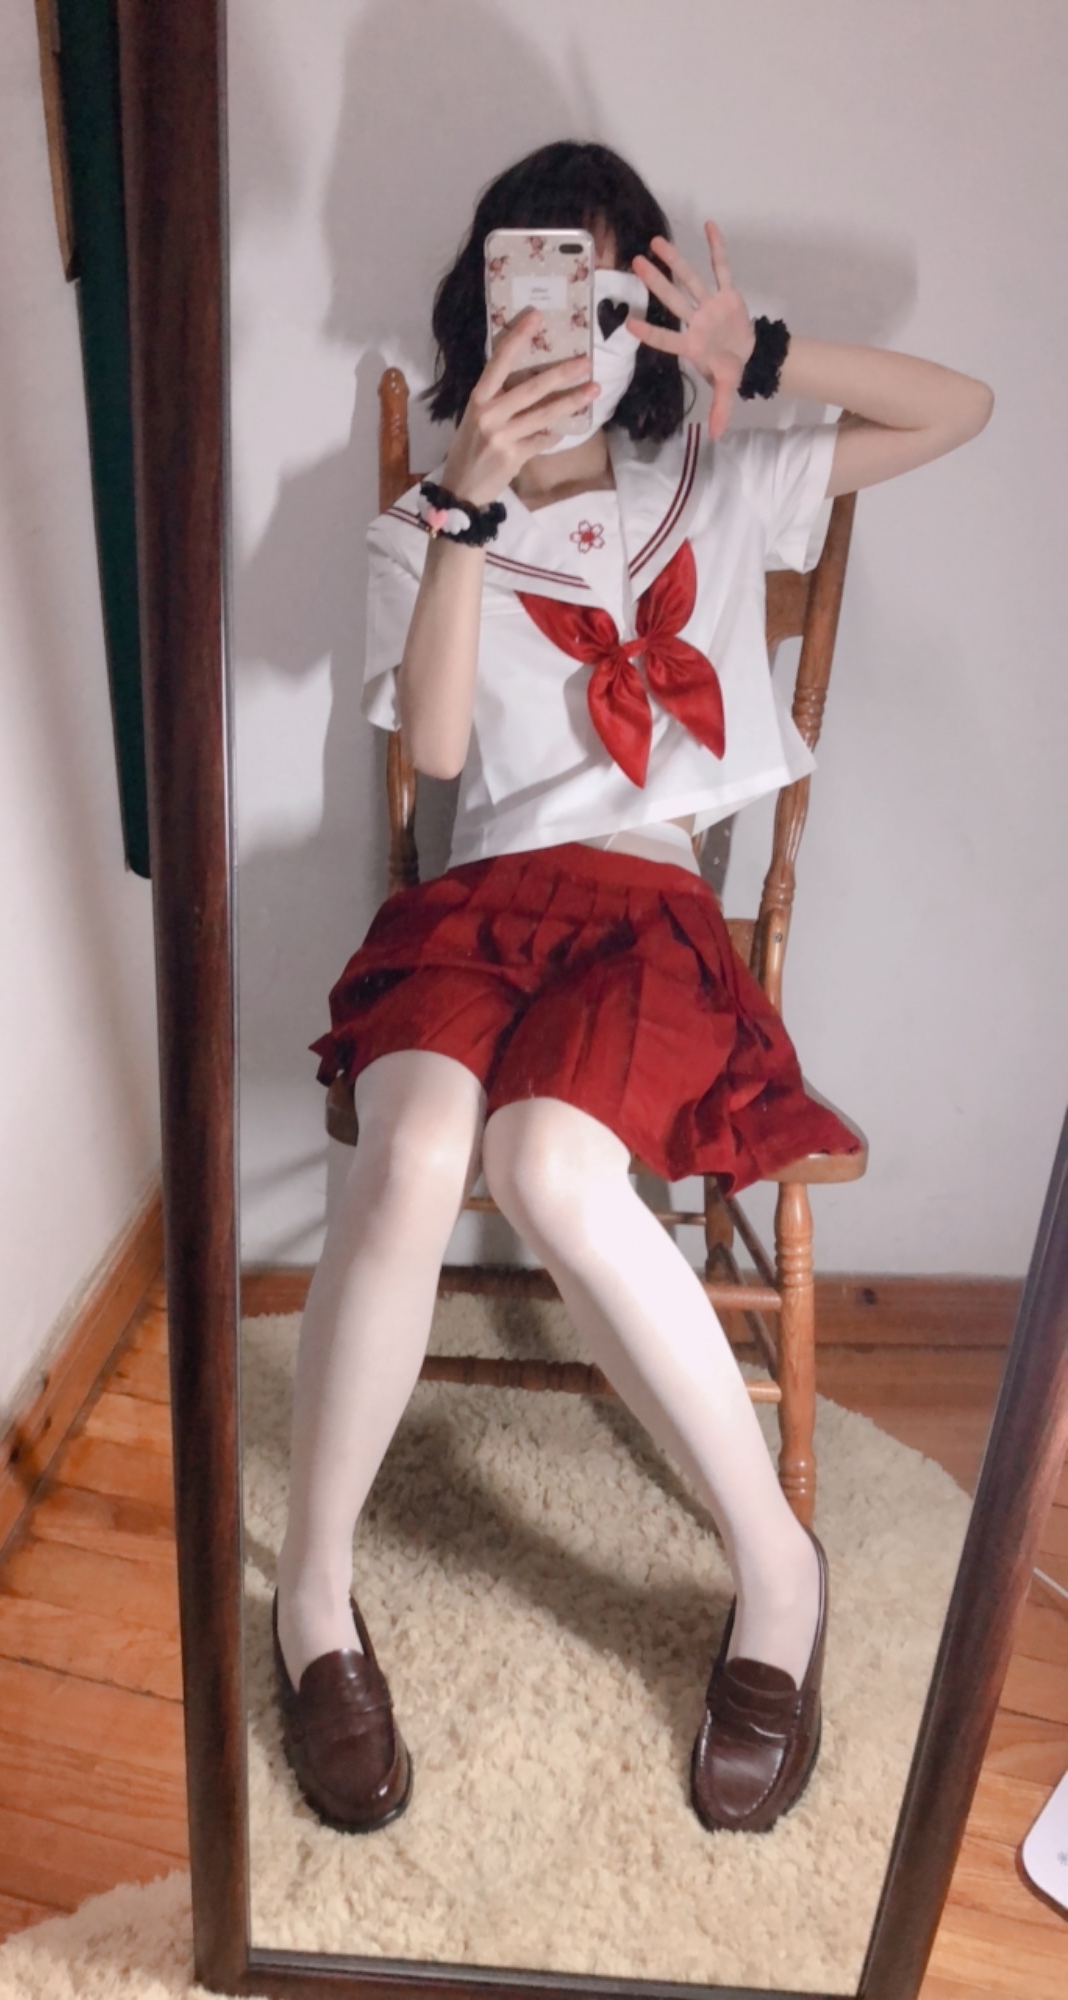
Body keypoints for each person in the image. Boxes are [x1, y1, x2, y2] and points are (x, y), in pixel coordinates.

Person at [272, 142, 992, 1838]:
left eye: (610, 296)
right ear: (482, 306)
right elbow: (433, 751)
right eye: (538, 286)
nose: (572, 328)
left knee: (545, 1165)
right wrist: (465, 501)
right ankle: (312, 1595)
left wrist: (765, 355)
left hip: (646, 911)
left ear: (647, 313)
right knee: (418, 1150)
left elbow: (957, 409)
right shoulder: (421, 520)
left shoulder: (718, 482)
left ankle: (778, 1571)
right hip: (473, 909)